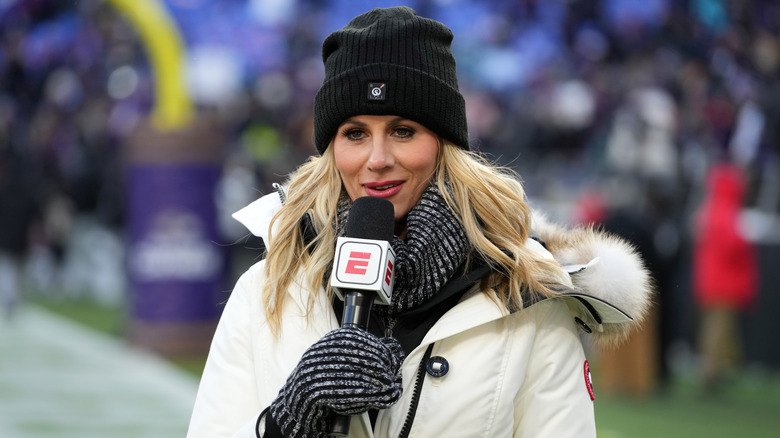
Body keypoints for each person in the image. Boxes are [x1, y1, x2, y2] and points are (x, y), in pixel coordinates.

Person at [186, 7, 652, 438]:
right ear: (331, 150)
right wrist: (292, 420)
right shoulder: (268, 287)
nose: (378, 159)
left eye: (403, 131)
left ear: (444, 144)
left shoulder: (527, 292)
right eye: (355, 134)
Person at [692, 162, 758, 393]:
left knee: (715, 329)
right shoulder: (727, 212)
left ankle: (717, 370)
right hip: (724, 283)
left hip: (711, 281)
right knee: (718, 330)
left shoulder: (710, 210)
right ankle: (710, 374)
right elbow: (733, 246)